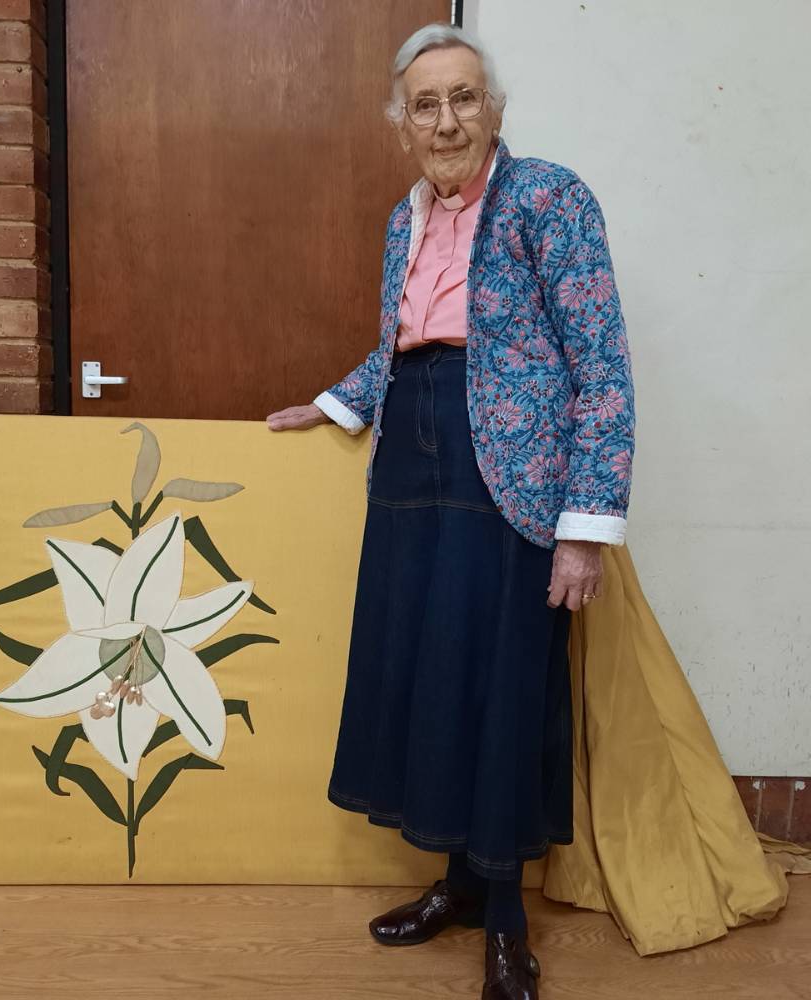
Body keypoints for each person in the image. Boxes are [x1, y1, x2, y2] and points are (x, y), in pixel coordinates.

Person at [267, 22, 634, 1000]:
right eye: (424, 105)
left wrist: (583, 524)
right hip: (411, 458)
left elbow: (600, 370)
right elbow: (405, 340)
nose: (445, 120)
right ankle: (460, 886)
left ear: (496, 109)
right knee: (426, 670)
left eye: (463, 97)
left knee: (500, 686)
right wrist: (341, 398)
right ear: (401, 126)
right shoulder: (405, 217)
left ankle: (507, 918)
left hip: (505, 474)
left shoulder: (550, 198)